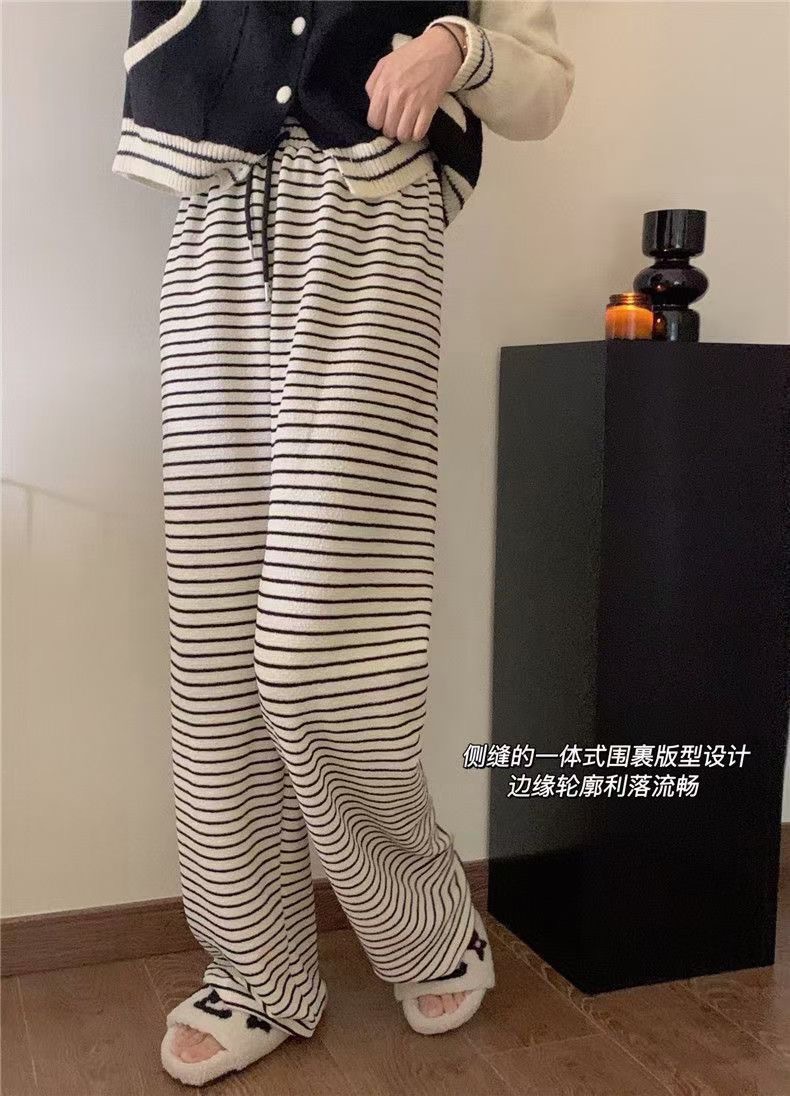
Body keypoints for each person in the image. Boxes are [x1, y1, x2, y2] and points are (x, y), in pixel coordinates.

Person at [112, 1, 574, 1085]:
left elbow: (544, 84)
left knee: (319, 649)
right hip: (215, 217)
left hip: (371, 220)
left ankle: (426, 922)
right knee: (214, 645)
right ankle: (255, 967)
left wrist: (454, 46)